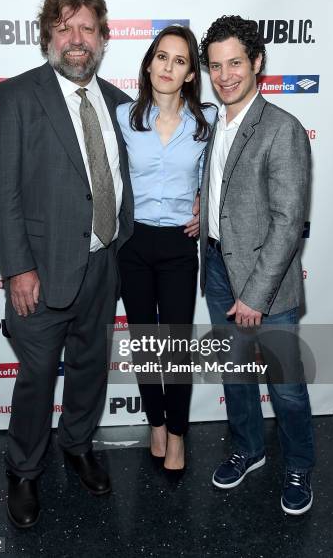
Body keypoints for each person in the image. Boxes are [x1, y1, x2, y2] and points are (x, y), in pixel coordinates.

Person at [0, 0, 133, 528]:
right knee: (38, 375)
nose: (76, 39)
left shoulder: (119, 103)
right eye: (65, 27)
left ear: (102, 38)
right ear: (48, 34)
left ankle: (77, 445)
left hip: (102, 264)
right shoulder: (17, 96)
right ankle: (23, 470)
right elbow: (1, 190)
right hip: (40, 273)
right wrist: (18, 268)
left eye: (86, 28)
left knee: (91, 369)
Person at [198, 15, 315, 514]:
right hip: (219, 269)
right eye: (216, 66)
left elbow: (289, 222)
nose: (225, 76)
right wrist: (202, 217)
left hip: (265, 284)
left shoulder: (281, 129)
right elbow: (229, 194)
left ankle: (299, 464)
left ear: (257, 63)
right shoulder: (214, 123)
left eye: (235, 64)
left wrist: (255, 295)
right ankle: (248, 449)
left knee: (285, 386)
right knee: (235, 374)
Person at [117, 25, 215, 471]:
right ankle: (155, 423)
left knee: (175, 348)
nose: (168, 67)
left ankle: (176, 434)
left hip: (180, 243)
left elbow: (225, 175)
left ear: (191, 74)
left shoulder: (208, 122)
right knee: (143, 342)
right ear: (149, 63)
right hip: (133, 242)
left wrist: (205, 206)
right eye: (162, 57)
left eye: (179, 60)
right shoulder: (123, 117)